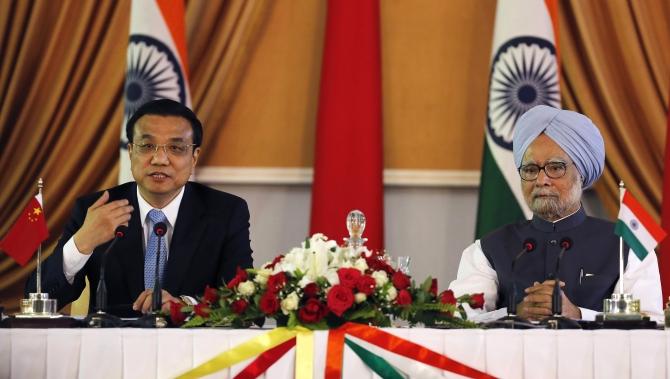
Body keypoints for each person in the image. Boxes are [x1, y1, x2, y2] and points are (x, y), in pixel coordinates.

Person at [26, 99, 254, 316]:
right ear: (131, 151)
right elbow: (39, 296)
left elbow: (244, 302)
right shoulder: (96, 208)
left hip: (194, 352)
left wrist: (186, 306)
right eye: (147, 146)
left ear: (194, 157)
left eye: (175, 148)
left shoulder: (226, 213)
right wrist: (81, 243)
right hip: (110, 350)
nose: (160, 159)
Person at [450, 105, 663, 322]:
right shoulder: (487, 250)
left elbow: (650, 325)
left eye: (555, 167)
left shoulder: (627, 247)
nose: (542, 180)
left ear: (581, 173)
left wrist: (579, 315)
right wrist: (514, 313)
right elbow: (458, 320)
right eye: (531, 170)